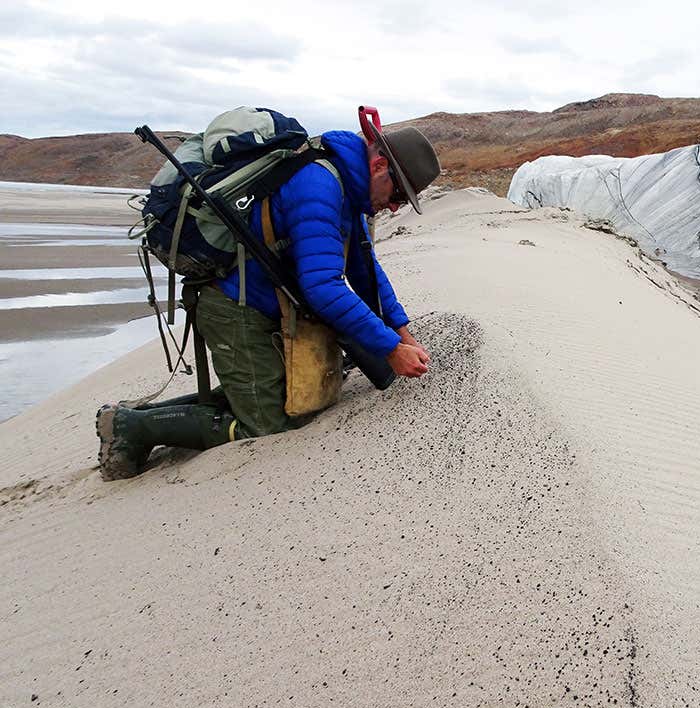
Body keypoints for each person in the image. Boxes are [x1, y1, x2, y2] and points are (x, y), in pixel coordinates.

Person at [95, 124, 441, 480]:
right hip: (234, 303)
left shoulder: (347, 190)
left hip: (266, 300)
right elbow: (323, 287)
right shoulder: (319, 185)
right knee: (265, 427)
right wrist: (389, 349)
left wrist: (402, 333)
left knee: (271, 391)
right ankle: (129, 427)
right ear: (379, 166)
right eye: (398, 194)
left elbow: (365, 269)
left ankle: (148, 418)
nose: (394, 207)